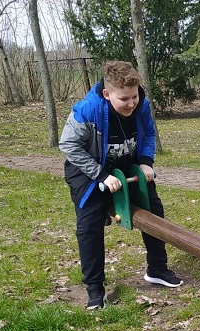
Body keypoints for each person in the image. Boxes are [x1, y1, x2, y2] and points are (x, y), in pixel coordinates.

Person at [60, 60, 182, 310]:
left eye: (134, 97)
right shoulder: (87, 110)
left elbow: (149, 134)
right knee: (89, 225)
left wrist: (146, 162)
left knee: (154, 210)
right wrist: (101, 175)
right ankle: (95, 288)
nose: (131, 103)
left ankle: (157, 269)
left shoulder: (141, 104)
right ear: (107, 94)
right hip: (89, 171)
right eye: (124, 99)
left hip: (128, 166)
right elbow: (69, 145)